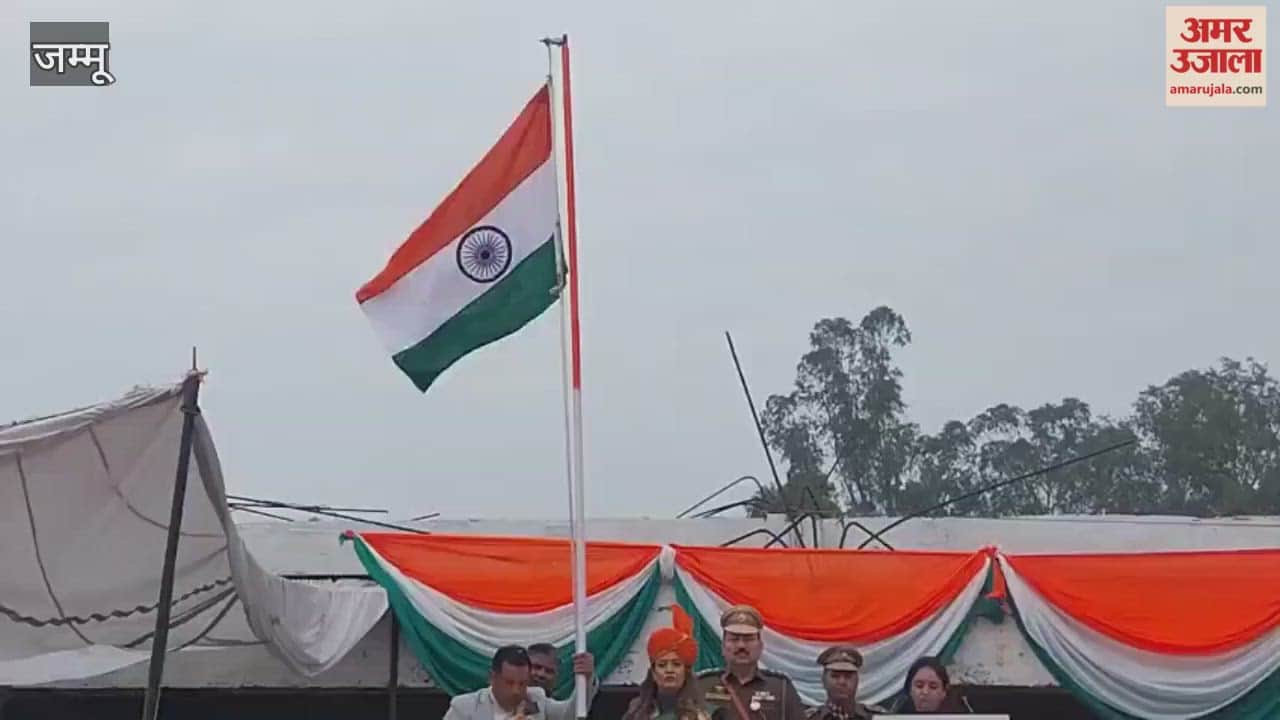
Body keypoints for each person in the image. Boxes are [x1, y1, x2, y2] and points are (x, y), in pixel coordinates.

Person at [696, 604, 808, 720]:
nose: (741, 645)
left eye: (748, 639)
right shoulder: (702, 684)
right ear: (723, 647)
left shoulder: (781, 687)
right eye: (734, 639)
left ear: (760, 646)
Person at [443, 645, 597, 720]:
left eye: (522, 684)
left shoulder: (536, 698)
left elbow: (570, 715)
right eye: (509, 683)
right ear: (492, 677)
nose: (516, 691)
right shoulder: (464, 708)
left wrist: (586, 677)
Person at [622, 605, 711, 720]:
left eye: (676, 664)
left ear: (686, 672)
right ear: (653, 673)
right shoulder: (636, 710)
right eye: (662, 665)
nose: (669, 670)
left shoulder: (702, 713)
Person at [806, 646, 886, 720]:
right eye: (835, 676)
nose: (842, 682)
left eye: (848, 676)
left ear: (857, 681)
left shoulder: (877, 717)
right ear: (823, 681)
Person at [886, 656, 972, 714]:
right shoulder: (900, 713)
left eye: (933, 687)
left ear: (944, 691)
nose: (925, 692)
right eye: (919, 686)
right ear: (910, 689)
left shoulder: (959, 715)